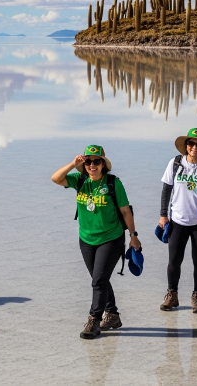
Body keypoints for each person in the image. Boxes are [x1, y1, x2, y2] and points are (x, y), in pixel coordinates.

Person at [51, 145, 141, 339]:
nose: (92, 165)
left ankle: (94, 321)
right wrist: (72, 165)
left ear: (103, 164)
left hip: (111, 238)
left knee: (98, 281)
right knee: (99, 280)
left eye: (96, 161)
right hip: (86, 238)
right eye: (88, 162)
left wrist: (133, 236)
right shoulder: (79, 180)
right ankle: (113, 315)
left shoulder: (113, 183)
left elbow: (125, 211)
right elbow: (55, 178)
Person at [158, 128, 197, 313]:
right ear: (186, 146)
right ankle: (172, 294)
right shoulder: (175, 162)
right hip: (177, 220)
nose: (194, 147)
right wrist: (163, 215)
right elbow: (166, 189)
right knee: (174, 260)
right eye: (191, 143)